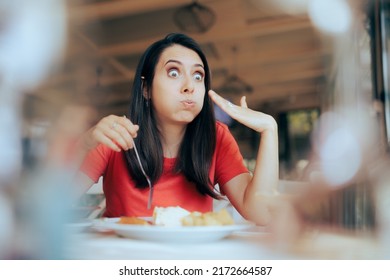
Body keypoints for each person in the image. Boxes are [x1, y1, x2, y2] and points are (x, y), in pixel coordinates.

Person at [75, 33, 279, 226]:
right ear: (146, 89)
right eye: (174, 72)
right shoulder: (116, 135)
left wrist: (269, 129)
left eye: (198, 76)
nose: (190, 85)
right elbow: (54, 204)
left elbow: (261, 213)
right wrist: (84, 144)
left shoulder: (217, 137)